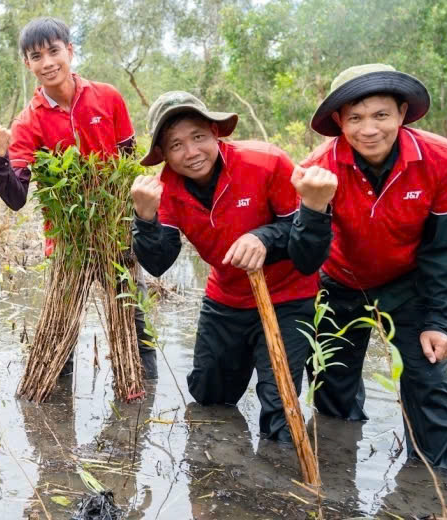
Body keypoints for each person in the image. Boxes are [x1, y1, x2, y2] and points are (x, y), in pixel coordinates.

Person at [131, 91, 337, 442]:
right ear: (163, 153)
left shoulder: (266, 161)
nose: (191, 152)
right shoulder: (165, 189)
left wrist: (263, 238)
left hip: (287, 296)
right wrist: (145, 217)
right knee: (209, 398)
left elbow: (304, 245)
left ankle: (280, 472)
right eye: (176, 145)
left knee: (280, 409)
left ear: (215, 133)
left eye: (198, 137)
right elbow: (158, 262)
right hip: (226, 296)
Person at [302, 63, 447, 470]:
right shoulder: (318, 168)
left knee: (428, 381)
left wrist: (437, 321)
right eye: (355, 118)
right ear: (339, 122)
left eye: (381, 115)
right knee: (331, 386)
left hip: (408, 284)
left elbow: (445, 247)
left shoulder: (441, 158)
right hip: (340, 282)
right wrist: (313, 208)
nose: (369, 130)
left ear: (402, 113)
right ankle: (336, 480)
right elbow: (305, 257)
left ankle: (432, 486)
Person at [0, 16, 157, 378]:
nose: (47, 63)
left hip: (116, 236)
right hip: (67, 242)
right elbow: (16, 198)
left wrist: (136, 224)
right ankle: (56, 403)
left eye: (53, 51)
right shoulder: (28, 122)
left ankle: (142, 392)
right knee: (59, 336)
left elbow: (129, 163)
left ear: (70, 51)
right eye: (36, 56)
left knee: (135, 328)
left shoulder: (107, 97)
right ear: (27, 64)